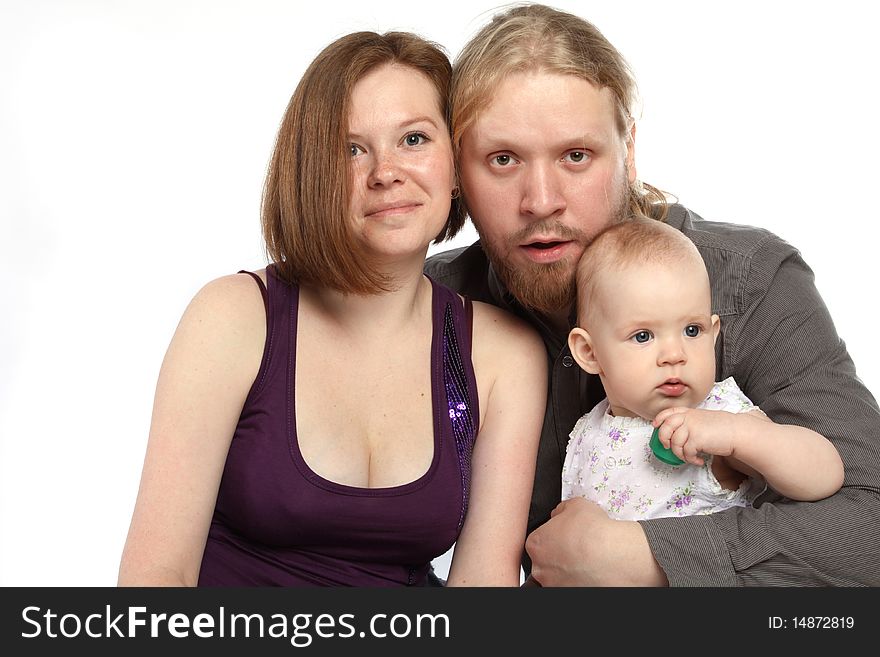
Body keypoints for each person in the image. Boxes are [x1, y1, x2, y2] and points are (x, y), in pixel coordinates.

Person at [425, 3, 880, 585]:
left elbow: (868, 522)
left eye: (576, 156)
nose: (541, 200)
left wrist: (647, 557)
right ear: (459, 173)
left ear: (628, 152)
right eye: (503, 159)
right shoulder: (438, 306)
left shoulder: (748, 280)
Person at [117, 30, 546, 587]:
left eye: (414, 139)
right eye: (351, 148)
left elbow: (482, 594)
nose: (385, 172)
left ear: (456, 163)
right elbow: (155, 579)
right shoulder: (234, 317)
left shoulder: (502, 355)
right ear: (311, 173)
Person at [563, 218, 844, 520]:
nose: (674, 354)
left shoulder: (719, 417)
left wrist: (739, 436)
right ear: (589, 352)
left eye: (692, 331)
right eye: (643, 336)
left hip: (692, 567)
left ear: (713, 334)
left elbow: (825, 476)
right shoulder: (587, 430)